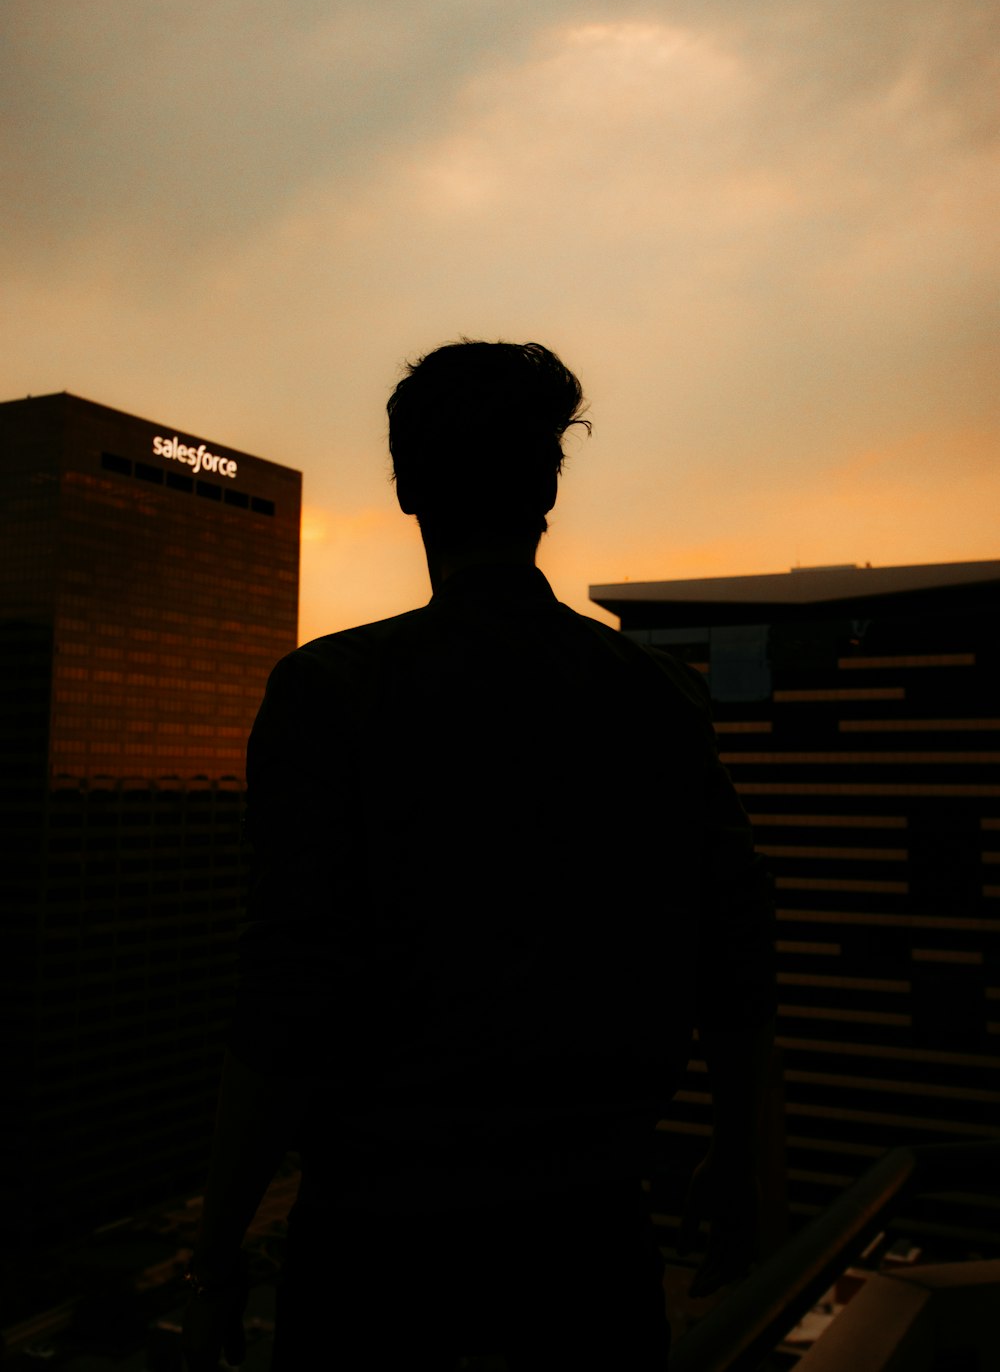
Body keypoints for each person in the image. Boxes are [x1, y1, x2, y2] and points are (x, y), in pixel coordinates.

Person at [182, 340, 775, 1370]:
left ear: (408, 487)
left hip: (381, 1261)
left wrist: (216, 1246)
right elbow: (734, 950)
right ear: (548, 485)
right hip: (593, 1251)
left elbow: (288, 994)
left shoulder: (332, 693)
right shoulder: (657, 697)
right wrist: (748, 1150)